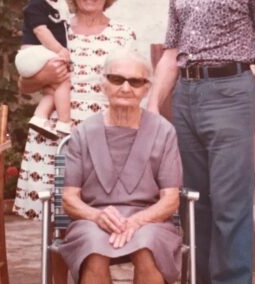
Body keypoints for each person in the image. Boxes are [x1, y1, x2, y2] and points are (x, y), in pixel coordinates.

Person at [147, 1, 255, 283]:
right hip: (185, 94)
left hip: (231, 86)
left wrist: (245, 100)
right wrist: (152, 106)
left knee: (229, 205)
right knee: (192, 203)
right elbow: (171, 53)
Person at [59, 49, 182, 284]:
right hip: (92, 219)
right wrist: (97, 216)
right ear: (103, 84)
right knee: (94, 249)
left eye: (136, 82)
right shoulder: (83, 132)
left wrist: (137, 221)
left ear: (146, 89)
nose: (126, 88)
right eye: (117, 79)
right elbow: (69, 198)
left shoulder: (164, 131)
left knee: (147, 248)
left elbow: (170, 199)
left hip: (150, 220)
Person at [13, 0, 136, 219]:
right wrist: (45, 76)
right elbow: (24, 84)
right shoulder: (55, 27)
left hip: (103, 136)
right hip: (56, 134)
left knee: (100, 217)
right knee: (55, 221)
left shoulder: (124, 35)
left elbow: (133, 85)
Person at [15, 0, 72, 139]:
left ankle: (40, 116)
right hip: (33, 53)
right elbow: (40, 30)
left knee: (52, 89)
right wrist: (60, 50)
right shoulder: (36, 4)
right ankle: (64, 122)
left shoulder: (59, 6)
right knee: (64, 80)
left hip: (38, 55)